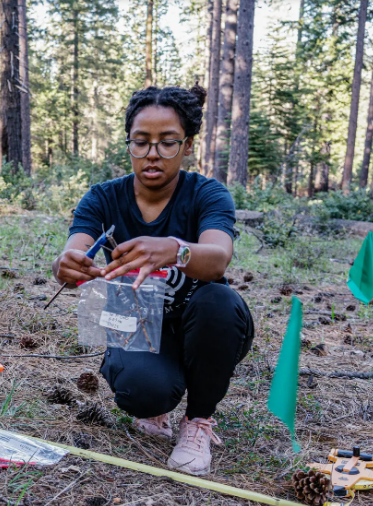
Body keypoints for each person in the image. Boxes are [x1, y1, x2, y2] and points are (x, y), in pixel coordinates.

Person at [51, 85, 254, 476]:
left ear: (188, 145)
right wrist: (67, 264)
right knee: (143, 391)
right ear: (128, 143)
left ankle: (197, 420)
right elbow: (75, 249)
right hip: (137, 324)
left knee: (219, 300)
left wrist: (176, 250)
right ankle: (155, 399)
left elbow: (218, 259)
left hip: (206, 326)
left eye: (168, 142)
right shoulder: (103, 198)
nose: (153, 154)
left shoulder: (207, 194)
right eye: (141, 142)